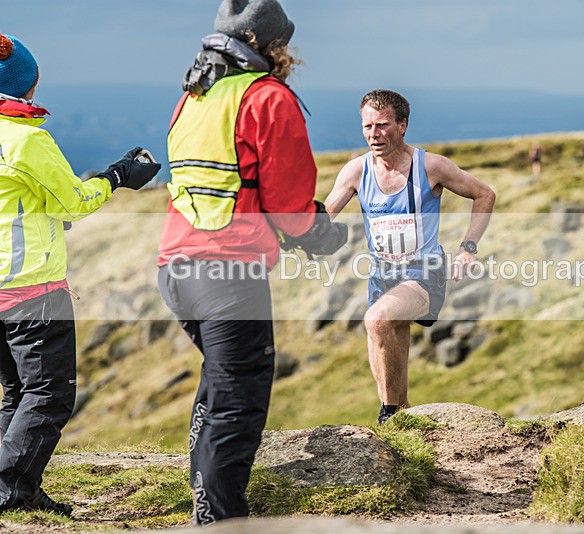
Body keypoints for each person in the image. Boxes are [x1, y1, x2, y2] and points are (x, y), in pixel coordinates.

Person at [156, 0, 346, 525]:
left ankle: (206, 505)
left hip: (175, 266)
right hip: (228, 272)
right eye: (285, 42)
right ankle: (221, 521)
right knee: (239, 398)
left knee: (221, 384)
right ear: (269, 45)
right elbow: (290, 207)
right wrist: (323, 232)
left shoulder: (194, 95)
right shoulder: (267, 98)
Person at [0, 33, 160, 515]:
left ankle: (20, 487)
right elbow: (71, 202)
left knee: (17, 394)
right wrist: (116, 176)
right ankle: (9, 490)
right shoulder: (25, 139)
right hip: (31, 288)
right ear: (26, 83)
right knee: (49, 396)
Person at [324, 89, 496, 425]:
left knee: (376, 320)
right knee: (386, 341)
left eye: (382, 125)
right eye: (368, 126)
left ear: (402, 125)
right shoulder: (356, 171)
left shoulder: (430, 166)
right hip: (381, 277)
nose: (374, 134)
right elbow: (325, 215)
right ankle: (400, 418)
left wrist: (468, 248)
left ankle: (388, 417)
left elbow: (484, 194)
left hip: (424, 274)